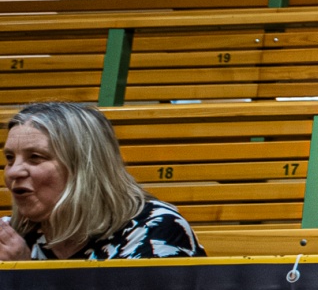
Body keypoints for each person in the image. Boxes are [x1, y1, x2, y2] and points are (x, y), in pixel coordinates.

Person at [0, 101, 203, 260]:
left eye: (35, 157)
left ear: (84, 166)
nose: (14, 171)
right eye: (10, 158)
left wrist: (22, 274)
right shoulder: (10, 238)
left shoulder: (153, 228)